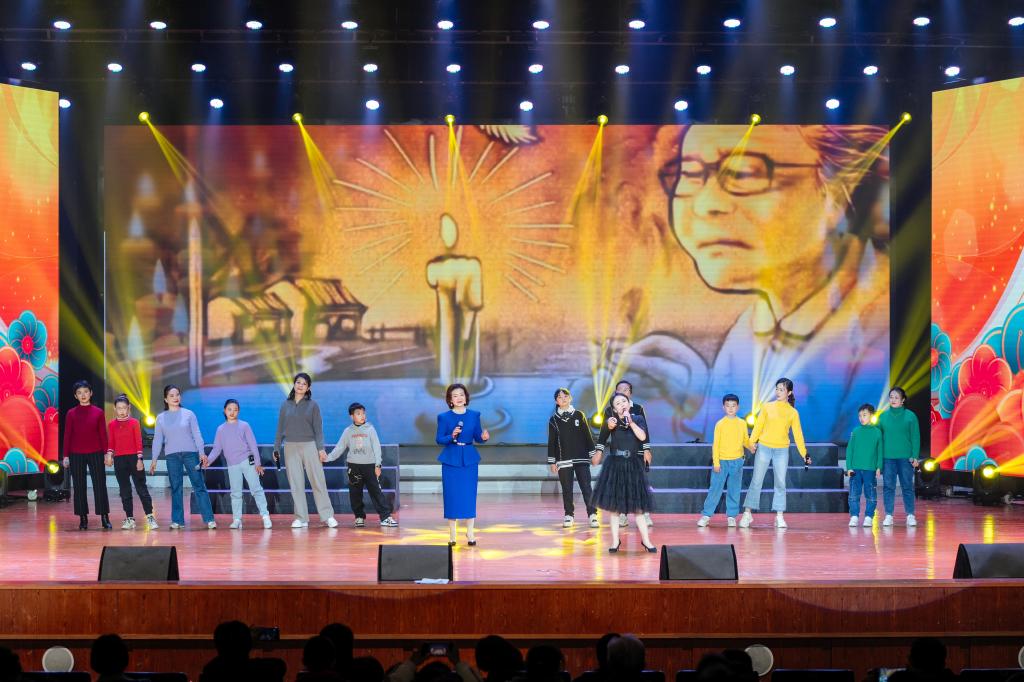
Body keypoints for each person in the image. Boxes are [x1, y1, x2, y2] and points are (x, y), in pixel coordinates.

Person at [626, 124, 891, 444]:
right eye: (691, 174)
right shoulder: (751, 327)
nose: (705, 204)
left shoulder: (880, 328)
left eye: (742, 173)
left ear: (836, 191)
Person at [739, 377, 808, 529]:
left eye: (781, 389)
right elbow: (758, 427)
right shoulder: (767, 407)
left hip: (782, 450)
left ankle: (779, 516)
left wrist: (805, 454)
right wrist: (751, 443)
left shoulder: (793, 413)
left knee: (780, 483)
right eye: (777, 389)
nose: (778, 392)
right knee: (756, 480)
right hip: (764, 447)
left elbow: (798, 435)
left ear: (789, 392)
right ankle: (747, 513)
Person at [272, 372, 338, 529]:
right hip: (290, 447)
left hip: (310, 446)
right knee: (296, 484)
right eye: (298, 382)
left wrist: (320, 449)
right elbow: (280, 429)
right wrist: (276, 448)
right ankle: (301, 518)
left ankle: (327, 516)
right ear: (294, 384)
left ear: (308, 388)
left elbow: (318, 430)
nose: (300, 385)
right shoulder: (285, 405)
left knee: (318, 481)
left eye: (304, 383)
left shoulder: (313, 405)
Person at [591, 392, 656, 553]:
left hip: (633, 464)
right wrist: (607, 426)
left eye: (624, 401)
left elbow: (642, 437)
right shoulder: (611, 421)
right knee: (615, 508)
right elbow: (603, 437)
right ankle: (615, 541)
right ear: (614, 409)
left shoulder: (638, 418)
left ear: (629, 403)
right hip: (616, 465)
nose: (622, 404)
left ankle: (646, 541)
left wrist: (631, 422)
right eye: (618, 403)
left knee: (639, 508)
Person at [149, 384, 216, 529]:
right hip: (172, 456)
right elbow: (157, 440)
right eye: (171, 395)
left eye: (177, 394)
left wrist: (201, 453)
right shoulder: (160, 418)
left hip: (190, 454)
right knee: (176, 488)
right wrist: (154, 459)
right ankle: (177, 520)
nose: (175, 398)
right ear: (165, 399)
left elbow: (197, 434)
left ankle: (209, 519)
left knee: (199, 485)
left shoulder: (189, 414)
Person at [203, 399, 272, 529]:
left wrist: (257, 463)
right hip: (232, 464)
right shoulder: (220, 429)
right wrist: (208, 461)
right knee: (235, 492)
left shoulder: (244, 425)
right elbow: (217, 449)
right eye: (229, 409)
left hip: (247, 461)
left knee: (256, 488)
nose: (232, 412)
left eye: (235, 410)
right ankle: (237, 519)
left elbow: (253, 445)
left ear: (238, 411)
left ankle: (265, 516)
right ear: (224, 410)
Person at [437, 383, 489, 545]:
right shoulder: (444, 417)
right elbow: (439, 439)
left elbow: (477, 436)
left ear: (466, 398)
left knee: (469, 495)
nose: (459, 398)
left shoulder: (474, 415)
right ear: (450, 400)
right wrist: (451, 436)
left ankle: (470, 532)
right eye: (455, 396)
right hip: (451, 459)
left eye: (461, 394)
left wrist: (483, 438)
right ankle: (452, 534)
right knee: (452, 495)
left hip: (469, 459)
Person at [330, 402, 397, 527]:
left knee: (376, 492)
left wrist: (378, 465)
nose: (362, 416)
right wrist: (327, 458)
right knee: (355, 493)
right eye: (358, 414)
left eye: (363, 413)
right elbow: (339, 448)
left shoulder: (370, 429)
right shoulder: (348, 431)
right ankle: (359, 517)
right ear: (352, 416)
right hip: (354, 467)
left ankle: (385, 517)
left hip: (370, 466)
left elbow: (377, 448)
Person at [599, 380, 652, 528]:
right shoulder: (611, 410)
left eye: (626, 390)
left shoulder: (638, 408)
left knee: (639, 484)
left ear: (630, 393)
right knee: (620, 485)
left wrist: (647, 449)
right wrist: (599, 450)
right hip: (619, 453)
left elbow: (645, 431)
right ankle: (622, 514)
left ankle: (644, 513)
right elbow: (604, 431)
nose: (623, 392)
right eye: (619, 390)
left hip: (636, 452)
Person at [697, 393, 753, 528]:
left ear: (738, 407)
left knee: (734, 489)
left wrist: (751, 447)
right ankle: (706, 515)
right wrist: (716, 462)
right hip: (722, 462)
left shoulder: (742, 423)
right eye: (728, 405)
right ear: (723, 407)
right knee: (715, 489)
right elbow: (716, 444)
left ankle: (732, 516)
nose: (731, 408)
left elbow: (745, 440)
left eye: (733, 405)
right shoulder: (720, 424)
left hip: (737, 461)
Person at [63, 379, 111, 530]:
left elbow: (103, 434)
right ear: (75, 396)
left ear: (91, 393)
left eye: (85, 392)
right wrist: (65, 456)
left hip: (96, 452)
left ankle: (104, 517)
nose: (83, 395)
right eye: (79, 393)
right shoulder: (71, 413)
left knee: (100, 485)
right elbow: (67, 435)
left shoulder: (98, 412)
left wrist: (106, 453)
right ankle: (83, 518)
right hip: (76, 454)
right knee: (79, 486)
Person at [547, 388, 598, 528]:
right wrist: (552, 461)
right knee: (567, 489)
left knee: (586, 487)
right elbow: (552, 442)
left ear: (570, 398)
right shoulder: (553, 420)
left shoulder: (579, 415)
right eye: (560, 397)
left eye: (565, 396)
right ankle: (569, 515)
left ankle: (592, 514)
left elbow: (588, 436)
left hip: (581, 457)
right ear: (556, 401)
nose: (563, 399)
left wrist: (593, 454)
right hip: (563, 459)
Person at [106, 394, 157, 530]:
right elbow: (111, 442)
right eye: (119, 408)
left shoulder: (134, 423)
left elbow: (138, 441)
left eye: (124, 408)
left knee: (141, 488)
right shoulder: (112, 424)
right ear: (115, 409)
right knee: (124, 490)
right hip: (119, 459)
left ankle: (150, 516)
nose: (122, 411)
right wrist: (109, 455)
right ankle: (129, 518)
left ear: (128, 408)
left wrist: (139, 459)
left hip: (134, 458)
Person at [878, 387, 920, 528]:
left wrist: (915, 456)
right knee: (888, 487)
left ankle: (910, 515)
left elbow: (915, 437)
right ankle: (889, 515)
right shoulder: (883, 417)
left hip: (905, 458)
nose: (893, 400)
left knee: (907, 486)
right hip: (888, 458)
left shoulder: (910, 416)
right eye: (891, 397)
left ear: (903, 400)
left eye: (896, 397)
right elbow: (878, 439)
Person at [847, 403, 883, 527]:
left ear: (871, 416)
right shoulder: (855, 431)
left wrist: (879, 467)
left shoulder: (877, 432)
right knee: (853, 494)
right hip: (856, 469)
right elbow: (850, 450)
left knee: (871, 494)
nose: (861, 418)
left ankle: (868, 517)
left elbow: (880, 451)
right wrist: (849, 467)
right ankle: (854, 516)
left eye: (864, 415)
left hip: (870, 469)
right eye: (860, 416)